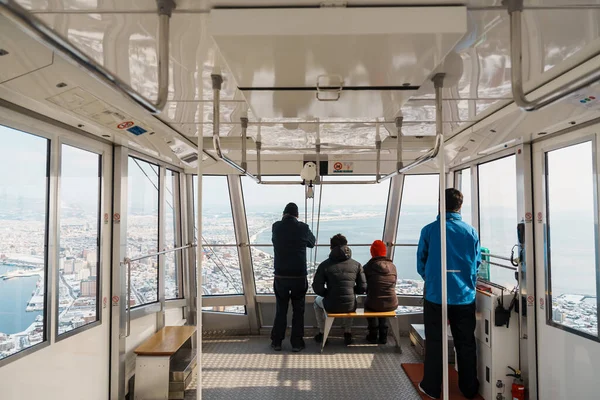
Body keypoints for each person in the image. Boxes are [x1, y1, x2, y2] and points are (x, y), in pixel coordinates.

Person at [417, 188, 481, 399]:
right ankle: (469, 388)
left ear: (440, 204)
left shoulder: (429, 230)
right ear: (460, 206)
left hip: (436, 296)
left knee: (435, 342)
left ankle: (432, 387)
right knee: (466, 343)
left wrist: (433, 280)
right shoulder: (470, 232)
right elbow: (476, 262)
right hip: (464, 296)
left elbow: (421, 263)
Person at [271, 202, 316, 352]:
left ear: (284, 214)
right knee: (298, 310)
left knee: (281, 309)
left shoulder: (276, 227)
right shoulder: (303, 228)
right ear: (297, 215)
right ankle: (296, 343)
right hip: (298, 276)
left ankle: (277, 341)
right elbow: (312, 243)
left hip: (280, 276)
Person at [312, 233, 366, 346]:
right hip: (350, 305)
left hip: (331, 304)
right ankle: (347, 332)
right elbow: (362, 288)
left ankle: (322, 333)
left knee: (316, 303)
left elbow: (318, 288)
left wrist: (328, 293)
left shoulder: (324, 265)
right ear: (346, 246)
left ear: (331, 248)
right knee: (352, 299)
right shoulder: (357, 265)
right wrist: (350, 290)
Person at [363, 240, 398, 344]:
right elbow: (394, 283)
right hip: (392, 303)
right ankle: (383, 335)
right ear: (384, 251)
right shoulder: (393, 266)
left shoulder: (367, 267)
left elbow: (364, 285)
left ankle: (373, 334)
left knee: (372, 304)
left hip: (373, 303)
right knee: (383, 303)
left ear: (372, 252)